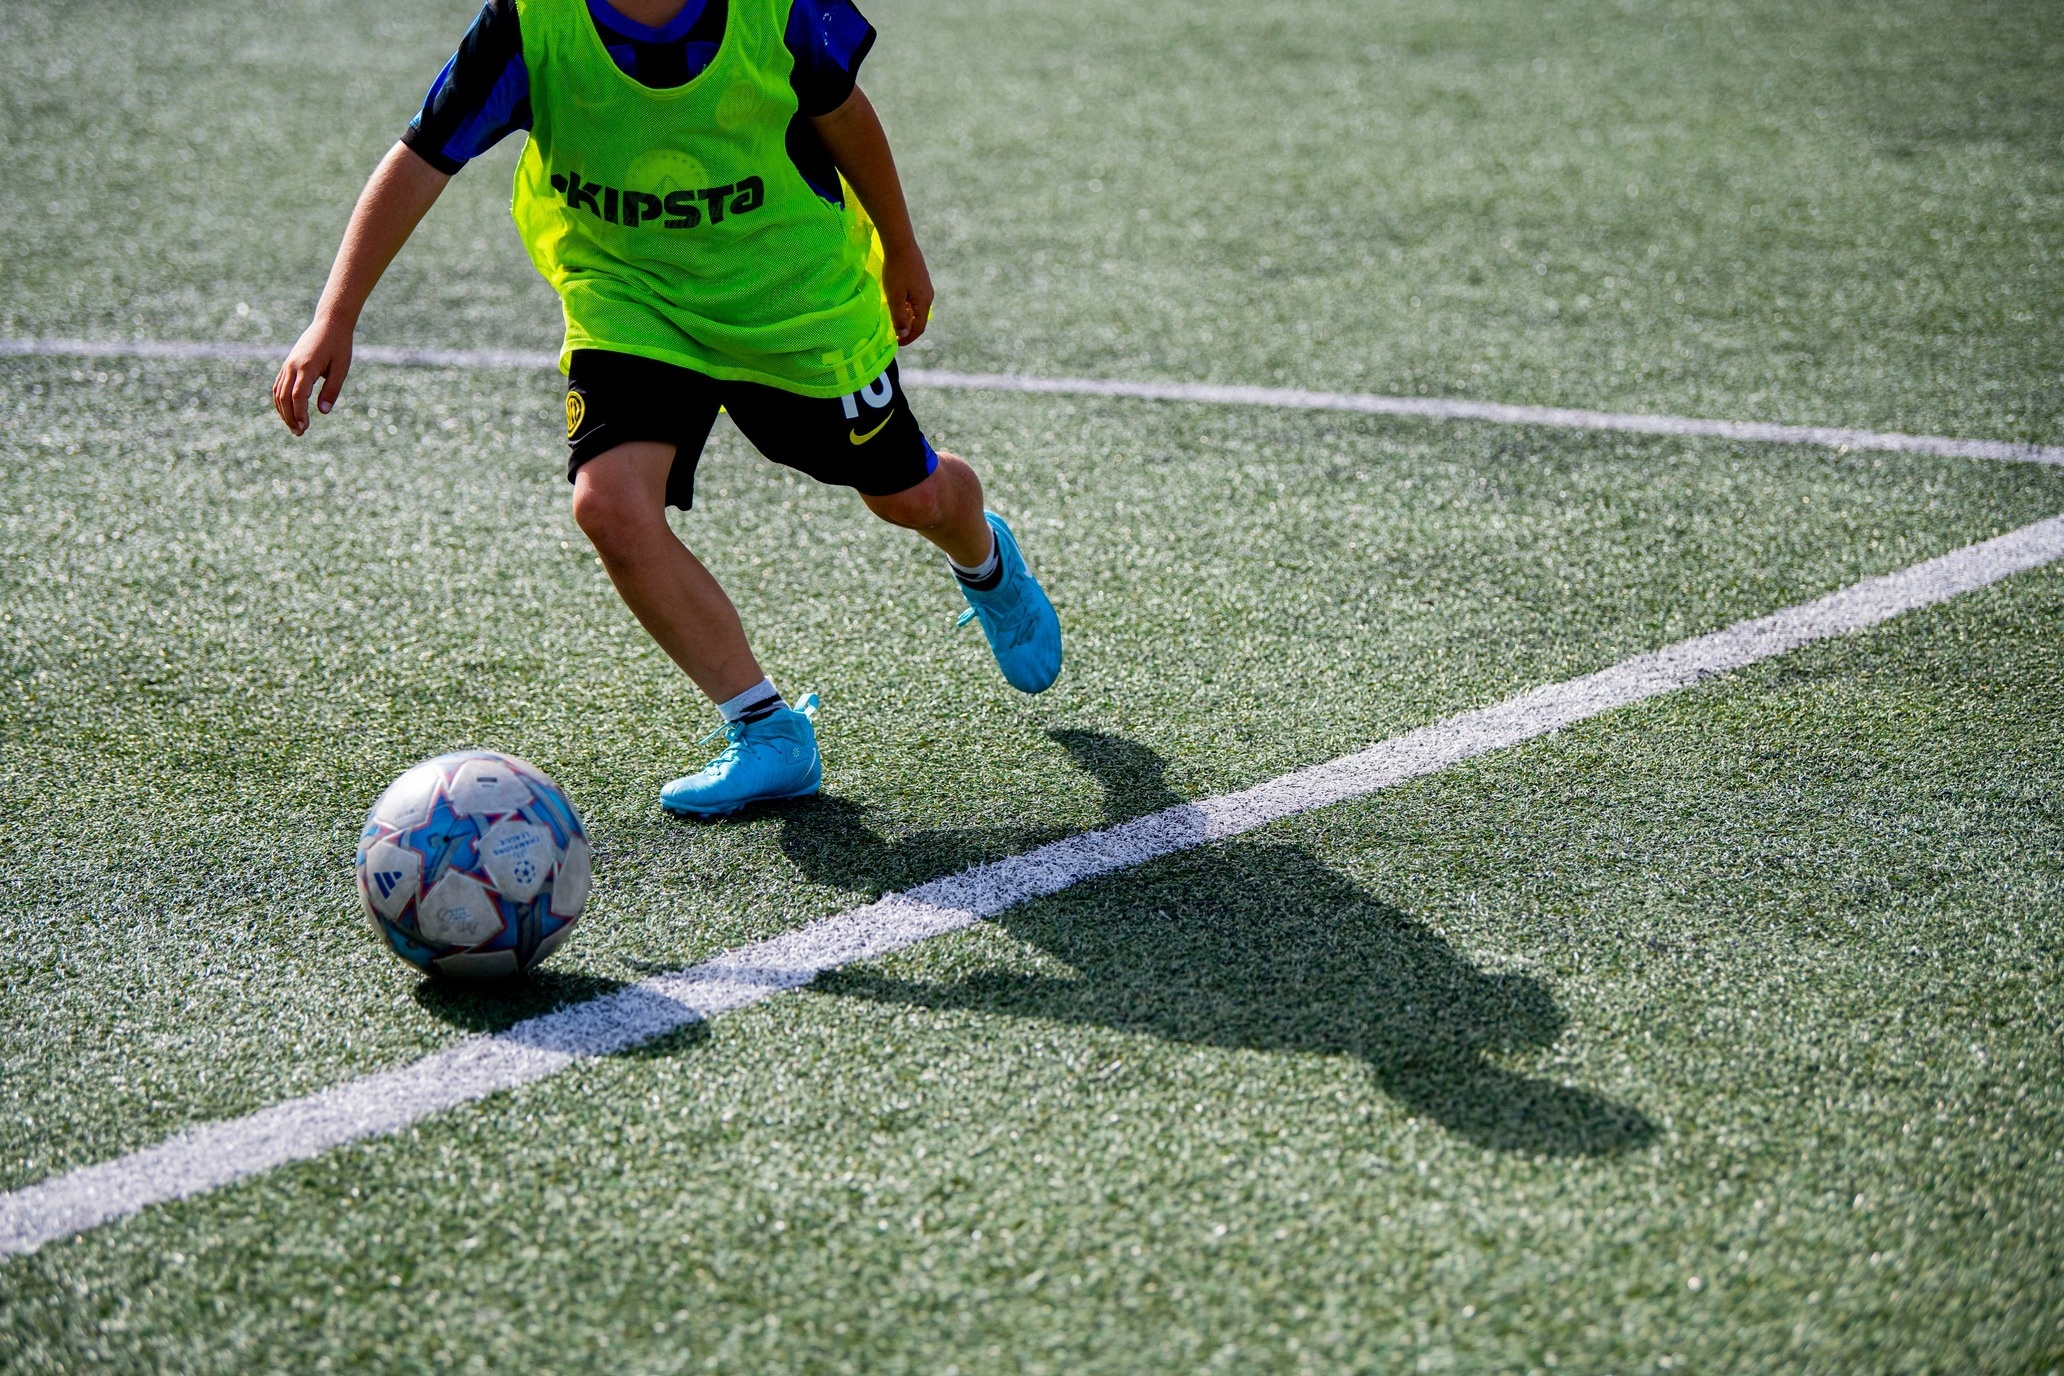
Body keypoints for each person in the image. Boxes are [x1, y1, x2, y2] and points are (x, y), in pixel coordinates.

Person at [272, 0, 1062, 816]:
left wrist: (901, 246)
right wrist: (336, 314)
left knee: (912, 498)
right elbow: (422, 155)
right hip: (632, 296)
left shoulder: (776, 7)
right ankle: (767, 732)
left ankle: (985, 560)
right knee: (610, 508)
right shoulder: (529, 22)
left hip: (792, 299)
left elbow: (843, 113)